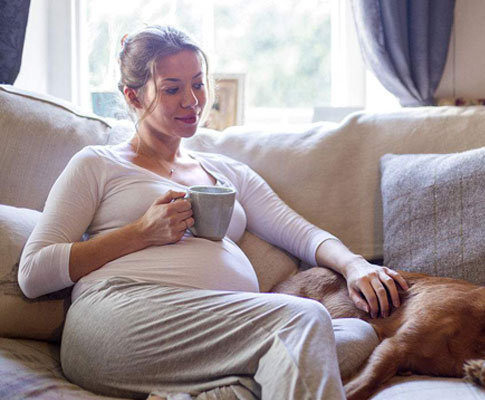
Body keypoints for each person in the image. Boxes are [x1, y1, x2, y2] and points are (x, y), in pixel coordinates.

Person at [18, 25, 407, 400]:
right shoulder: (98, 164)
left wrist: (356, 265)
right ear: (133, 97)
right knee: (304, 321)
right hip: (118, 318)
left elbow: (301, 233)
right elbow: (34, 273)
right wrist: (140, 232)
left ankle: (216, 394)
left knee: (357, 335)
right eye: (172, 89)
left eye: (198, 83)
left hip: (216, 335)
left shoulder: (227, 172)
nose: (192, 100)